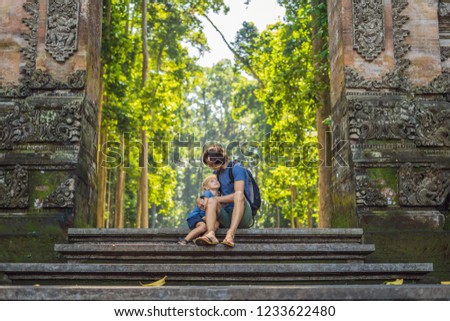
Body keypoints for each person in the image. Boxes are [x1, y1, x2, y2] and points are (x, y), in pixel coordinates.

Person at [194, 144, 253, 247]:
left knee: (238, 194)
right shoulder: (216, 173)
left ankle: (230, 235)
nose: (211, 166)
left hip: (243, 215)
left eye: (212, 163)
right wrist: (202, 199)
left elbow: (238, 195)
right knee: (212, 200)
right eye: (209, 164)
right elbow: (209, 190)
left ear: (220, 157)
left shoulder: (237, 168)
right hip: (226, 216)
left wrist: (216, 199)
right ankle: (210, 234)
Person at [177, 175, 220, 245]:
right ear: (206, 187)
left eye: (216, 180)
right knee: (203, 227)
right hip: (196, 216)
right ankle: (185, 240)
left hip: (204, 217)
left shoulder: (219, 196)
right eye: (212, 181)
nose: (215, 182)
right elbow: (205, 205)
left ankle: (203, 238)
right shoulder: (207, 193)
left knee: (217, 224)